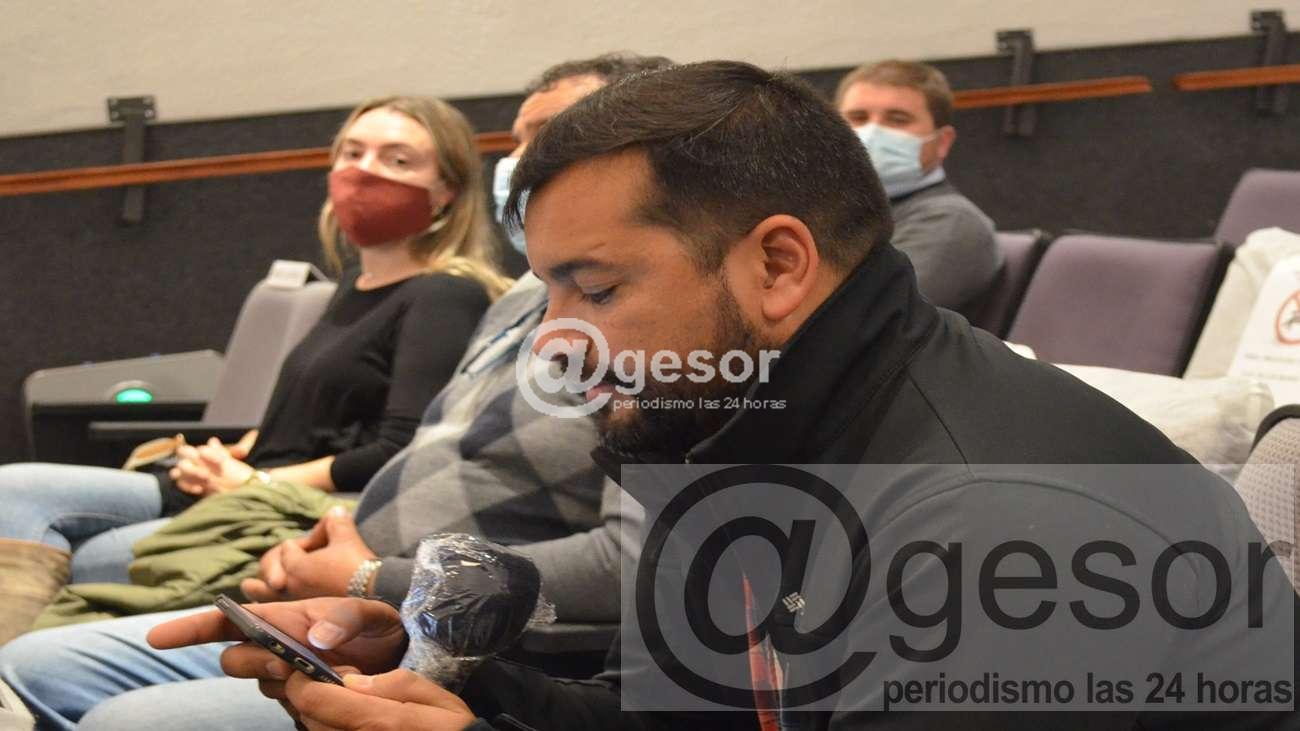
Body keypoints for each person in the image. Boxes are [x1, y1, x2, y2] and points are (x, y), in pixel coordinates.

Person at [156, 60, 1300, 730]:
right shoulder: (740, 424)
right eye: (549, 289)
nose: (555, 340)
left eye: (597, 287)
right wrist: (454, 681)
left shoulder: (996, 531)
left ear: (778, 265)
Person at [0, 54, 673, 731]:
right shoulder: (518, 302)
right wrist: (366, 598)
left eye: (550, 136)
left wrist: (366, 574)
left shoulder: (668, 352)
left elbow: (627, 585)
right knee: (37, 660)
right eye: (518, 141)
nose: (523, 162)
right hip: (386, 609)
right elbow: (421, 453)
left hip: (452, 632)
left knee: (122, 710)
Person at [0, 94, 507, 642]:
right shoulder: (353, 287)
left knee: (95, 555)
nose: (364, 171)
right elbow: (321, 418)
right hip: (243, 487)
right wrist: (233, 454)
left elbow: (401, 449)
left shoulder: (444, 295)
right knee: (13, 489)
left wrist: (256, 480)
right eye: (352, 153)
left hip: (288, 510)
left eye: (397, 160)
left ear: (447, 191)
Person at [836, 59, 999, 314]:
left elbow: (862, 317)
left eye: (897, 119)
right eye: (858, 118)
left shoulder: (949, 221)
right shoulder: (838, 211)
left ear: (942, 142)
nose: (872, 133)